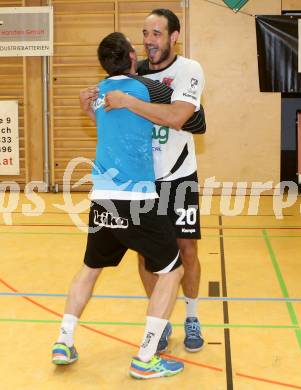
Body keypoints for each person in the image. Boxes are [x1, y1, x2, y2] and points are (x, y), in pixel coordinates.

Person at [52, 32, 204, 379]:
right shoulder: (145, 90)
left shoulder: (101, 92)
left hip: (102, 197)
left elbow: (111, 128)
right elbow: (181, 118)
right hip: (137, 198)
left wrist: (86, 107)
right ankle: (146, 356)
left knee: (90, 268)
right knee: (173, 271)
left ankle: (63, 339)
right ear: (133, 57)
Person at [84, 9, 206, 353]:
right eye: (145, 34)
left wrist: (129, 101)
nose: (149, 40)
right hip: (141, 181)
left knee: (186, 248)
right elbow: (112, 121)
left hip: (179, 175)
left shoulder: (188, 70)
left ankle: (193, 315)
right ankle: (160, 321)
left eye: (156, 33)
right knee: (146, 256)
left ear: (174, 36)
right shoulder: (132, 73)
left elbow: (178, 117)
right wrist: (90, 108)